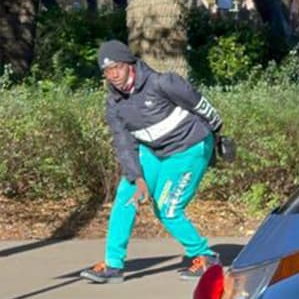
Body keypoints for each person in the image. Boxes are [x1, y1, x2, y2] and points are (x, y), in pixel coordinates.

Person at [80, 41, 226, 283]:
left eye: (117, 67)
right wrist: (137, 178)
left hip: (187, 148)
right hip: (153, 151)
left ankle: (205, 257)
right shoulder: (114, 103)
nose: (113, 75)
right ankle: (113, 265)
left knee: (167, 209)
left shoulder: (163, 82)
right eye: (107, 71)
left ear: (130, 64)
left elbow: (202, 106)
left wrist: (218, 137)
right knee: (126, 196)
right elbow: (124, 144)